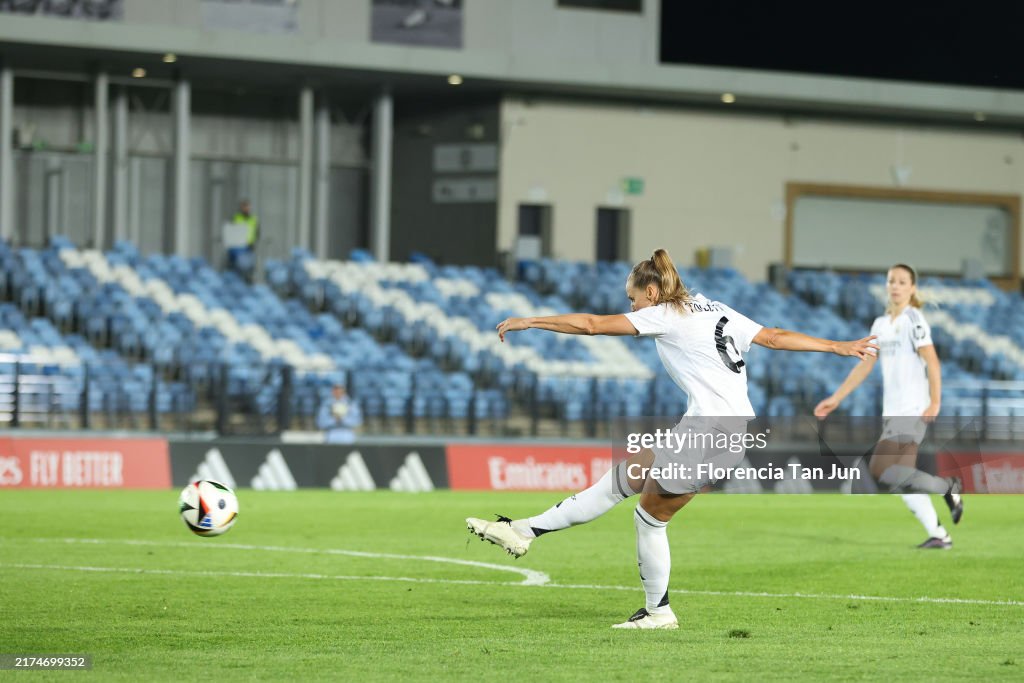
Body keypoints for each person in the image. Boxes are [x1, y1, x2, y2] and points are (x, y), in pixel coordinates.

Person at [466, 248, 879, 630]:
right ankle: (523, 530)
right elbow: (773, 336)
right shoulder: (714, 306)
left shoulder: (664, 313)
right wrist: (836, 346)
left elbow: (591, 325)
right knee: (622, 480)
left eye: (633, 300)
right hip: (713, 428)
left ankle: (657, 611)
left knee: (649, 517)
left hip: (711, 432)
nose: (631, 309)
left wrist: (531, 320)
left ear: (651, 291)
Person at [814, 264, 963, 549]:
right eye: (891, 281)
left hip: (912, 408)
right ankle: (940, 532)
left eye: (902, 281)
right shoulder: (880, 324)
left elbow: (932, 361)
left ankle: (948, 492)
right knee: (890, 474)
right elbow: (865, 366)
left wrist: (935, 401)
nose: (895, 286)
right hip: (893, 411)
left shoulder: (914, 319)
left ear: (912, 288)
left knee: (886, 470)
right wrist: (837, 397)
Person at [227, 199, 259, 279]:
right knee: (236, 267)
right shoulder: (236, 217)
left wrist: (252, 241)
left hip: (249, 246)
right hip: (237, 247)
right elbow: (230, 231)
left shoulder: (253, 219)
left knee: (248, 267)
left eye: (247, 206)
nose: (246, 208)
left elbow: (257, 232)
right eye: (244, 206)